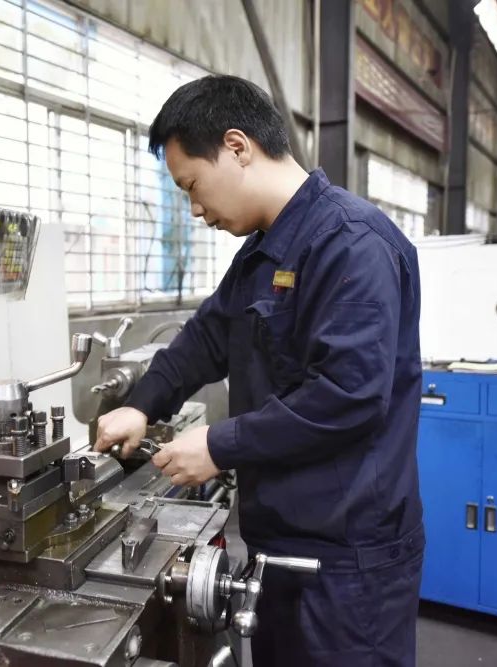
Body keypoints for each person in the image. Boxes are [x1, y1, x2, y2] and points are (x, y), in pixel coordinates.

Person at [93, 74, 424, 666]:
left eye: (193, 186)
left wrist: (219, 445)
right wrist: (141, 404)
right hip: (281, 541)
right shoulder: (264, 252)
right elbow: (208, 335)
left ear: (237, 146)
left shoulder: (352, 243)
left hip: (348, 560)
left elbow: (348, 396)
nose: (196, 210)